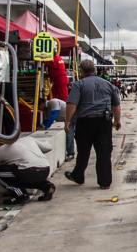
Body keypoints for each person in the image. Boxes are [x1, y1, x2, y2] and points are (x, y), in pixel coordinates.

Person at [64, 59, 121, 189]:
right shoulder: (108, 84)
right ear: (94, 70)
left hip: (84, 122)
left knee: (83, 151)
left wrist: (67, 122)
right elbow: (116, 105)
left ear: (82, 71)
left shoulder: (79, 85)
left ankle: (78, 176)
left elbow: (71, 104)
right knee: (104, 152)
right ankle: (105, 182)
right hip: (104, 122)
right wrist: (117, 121)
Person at [45, 53, 75, 161]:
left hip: (70, 115)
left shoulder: (53, 102)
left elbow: (54, 114)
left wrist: (46, 125)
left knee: (69, 131)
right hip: (60, 82)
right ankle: (72, 151)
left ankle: (71, 153)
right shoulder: (58, 58)